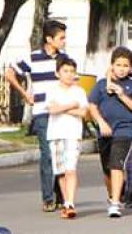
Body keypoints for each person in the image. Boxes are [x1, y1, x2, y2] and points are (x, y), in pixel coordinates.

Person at [5, 20, 68, 212]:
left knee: (61, 155)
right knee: (47, 155)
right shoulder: (33, 58)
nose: (64, 41)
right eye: (61, 38)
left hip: (62, 113)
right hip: (42, 113)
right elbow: (9, 73)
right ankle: (48, 197)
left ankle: (60, 195)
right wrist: (25, 95)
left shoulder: (64, 59)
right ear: (49, 39)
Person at [88, 47, 132, 218]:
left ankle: (115, 204)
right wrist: (101, 123)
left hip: (124, 131)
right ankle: (114, 194)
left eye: (125, 65)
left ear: (130, 67)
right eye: (118, 65)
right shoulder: (101, 85)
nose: (121, 68)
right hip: (104, 132)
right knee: (107, 168)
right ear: (112, 65)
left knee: (116, 164)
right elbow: (92, 106)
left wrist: (123, 96)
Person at [45, 57, 88, 219]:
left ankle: (70, 203)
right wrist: (71, 106)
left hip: (73, 134)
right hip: (55, 134)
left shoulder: (79, 91)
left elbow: (83, 112)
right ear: (58, 73)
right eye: (65, 71)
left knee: (71, 169)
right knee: (61, 172)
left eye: (72, 71)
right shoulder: (52, 90)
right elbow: (51, 109)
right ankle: (66, 201)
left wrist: (62, 108)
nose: (69, 75)